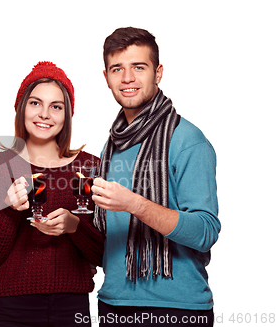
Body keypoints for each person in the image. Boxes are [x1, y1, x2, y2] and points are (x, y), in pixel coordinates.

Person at [91, 27, 220, 326]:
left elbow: (205, 232)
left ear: (158, 73)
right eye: (117, 69)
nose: (127, 78)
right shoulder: (111, 145)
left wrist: (135, 204)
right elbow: (106, 231)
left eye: (139, 67)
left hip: (178, 310)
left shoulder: (187, 140)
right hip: (113, 304)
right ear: (106, 77)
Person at [0, 62, 104, 327]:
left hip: (72, 305)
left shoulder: (89, 167)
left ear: (66, 115)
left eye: (56, 106)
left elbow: (103, 255)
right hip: (12, 308)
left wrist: (74, 226)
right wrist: (9, 210)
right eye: (36, 103)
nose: (44, 114)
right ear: (21, 107)